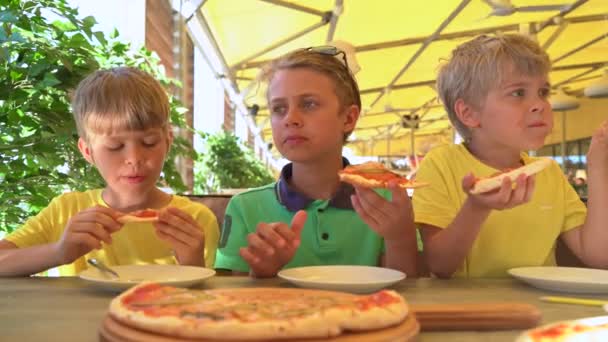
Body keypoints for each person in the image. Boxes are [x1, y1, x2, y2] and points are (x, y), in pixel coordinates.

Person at [413, 33, 608, 278]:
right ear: (469, 113)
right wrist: (476, 207)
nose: (540, 104)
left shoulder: (550, 173)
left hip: (543, 309)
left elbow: (599, 255)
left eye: (543, 91)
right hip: (466, 310)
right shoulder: (442, 164)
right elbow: (439, 264)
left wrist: (598, 164)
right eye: (518, 93)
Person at [214, 47, 418, 278]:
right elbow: (232, 298)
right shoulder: (245, 207)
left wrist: (400, 237)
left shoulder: (386, 203)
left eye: (309, 104)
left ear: (349, 118)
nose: (290, 118)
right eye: (279, 109)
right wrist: (262, 272)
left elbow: (408, 292)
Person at [0, 67, 219, 277]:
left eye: (149, 142)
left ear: (168, 142)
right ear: (88, 151)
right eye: (115, 147)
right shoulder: (66, 212)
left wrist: (193, 264)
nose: (134, 159)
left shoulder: (195, 220)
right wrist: (59, 251)